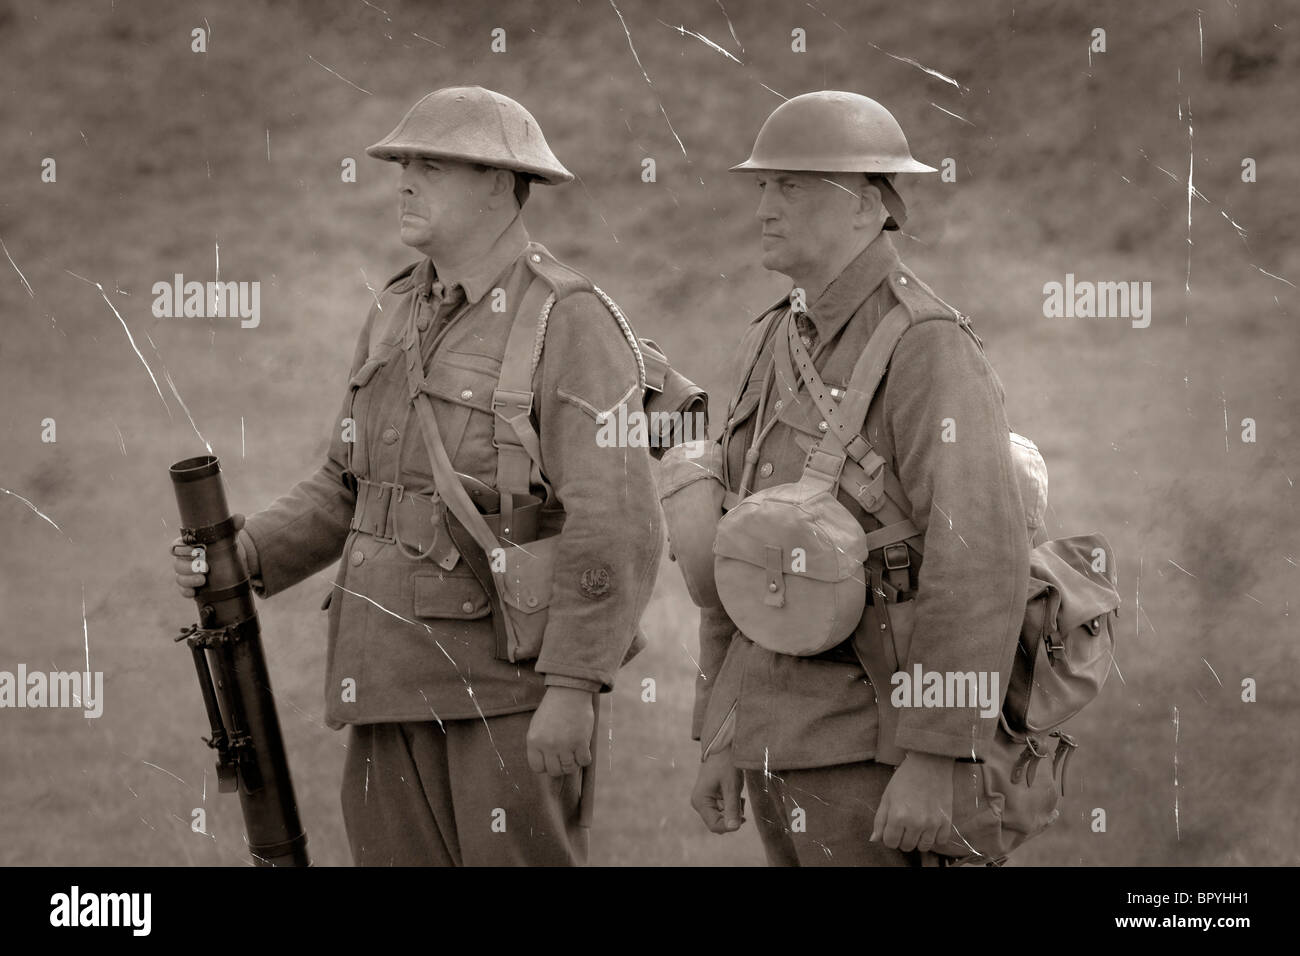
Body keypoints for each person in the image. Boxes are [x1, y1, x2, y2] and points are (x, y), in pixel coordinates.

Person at [172, 86, 663, 866]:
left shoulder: (568, 320)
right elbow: (347, 481)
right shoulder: (397, 310)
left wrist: (575, 687)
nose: (404, 180)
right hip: (385, 676)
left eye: (430, 165)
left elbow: (616, 517)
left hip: (503, 693)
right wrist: (247, 551)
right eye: (403, 163)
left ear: (500, 184)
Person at [688, 91, 1030, 866]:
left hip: (882, 754)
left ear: (868, 205)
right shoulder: (770, 337)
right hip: (783, 741)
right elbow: (741, 544)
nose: (766, 206)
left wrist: (938, 757)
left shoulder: (926, 345)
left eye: (795, 186)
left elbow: (977, 564)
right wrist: (720, 729)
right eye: (764, 185)